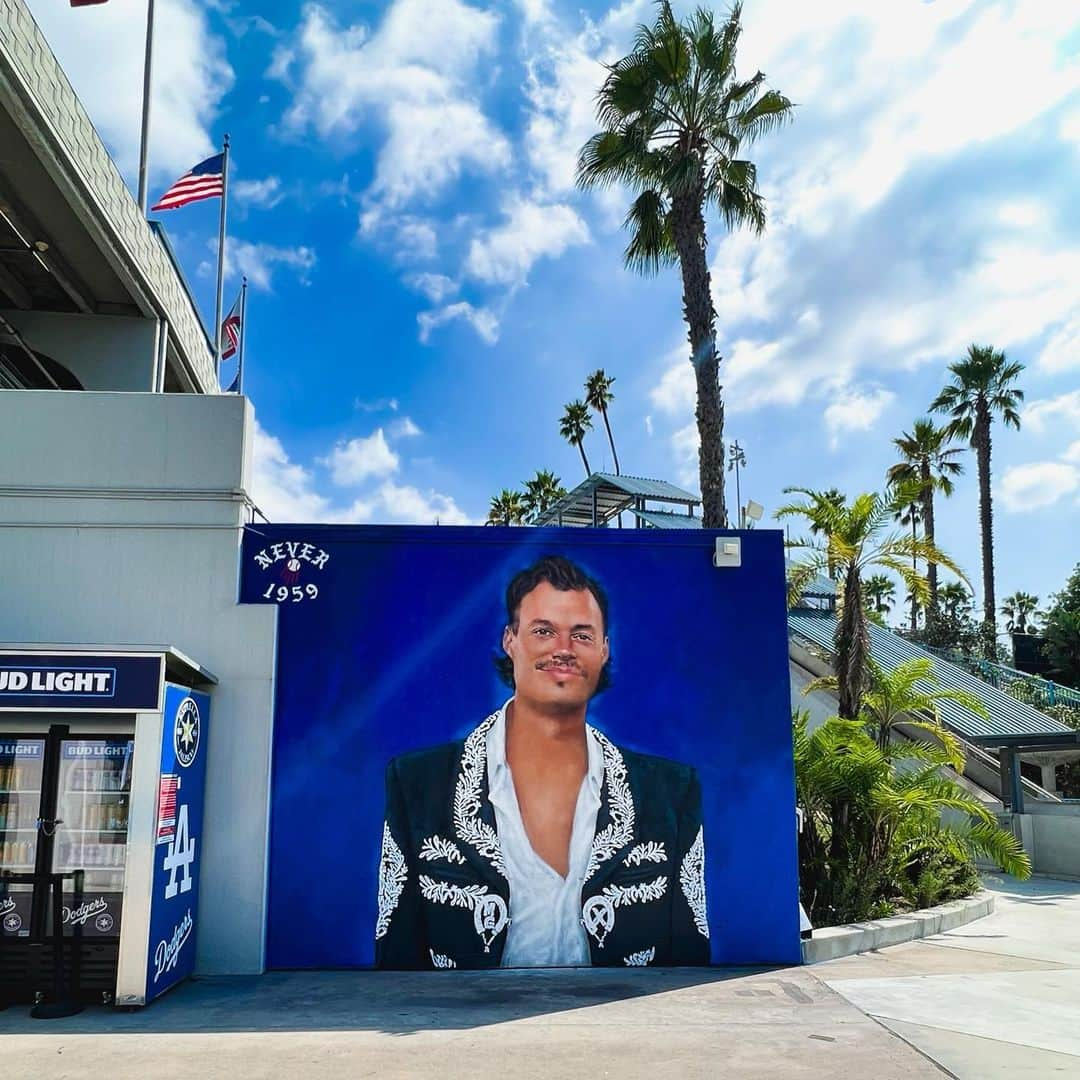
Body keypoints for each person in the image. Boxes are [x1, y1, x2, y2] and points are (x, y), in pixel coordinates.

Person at [375, 555, 709, 970]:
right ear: (510, 640)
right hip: (467, 1031)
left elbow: (689, 962)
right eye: (544, 631)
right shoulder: (417, 784)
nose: (563, 650)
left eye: (582, 636)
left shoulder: (670, 792)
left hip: (621, 1030)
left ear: (604, 651)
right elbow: (397, 958)